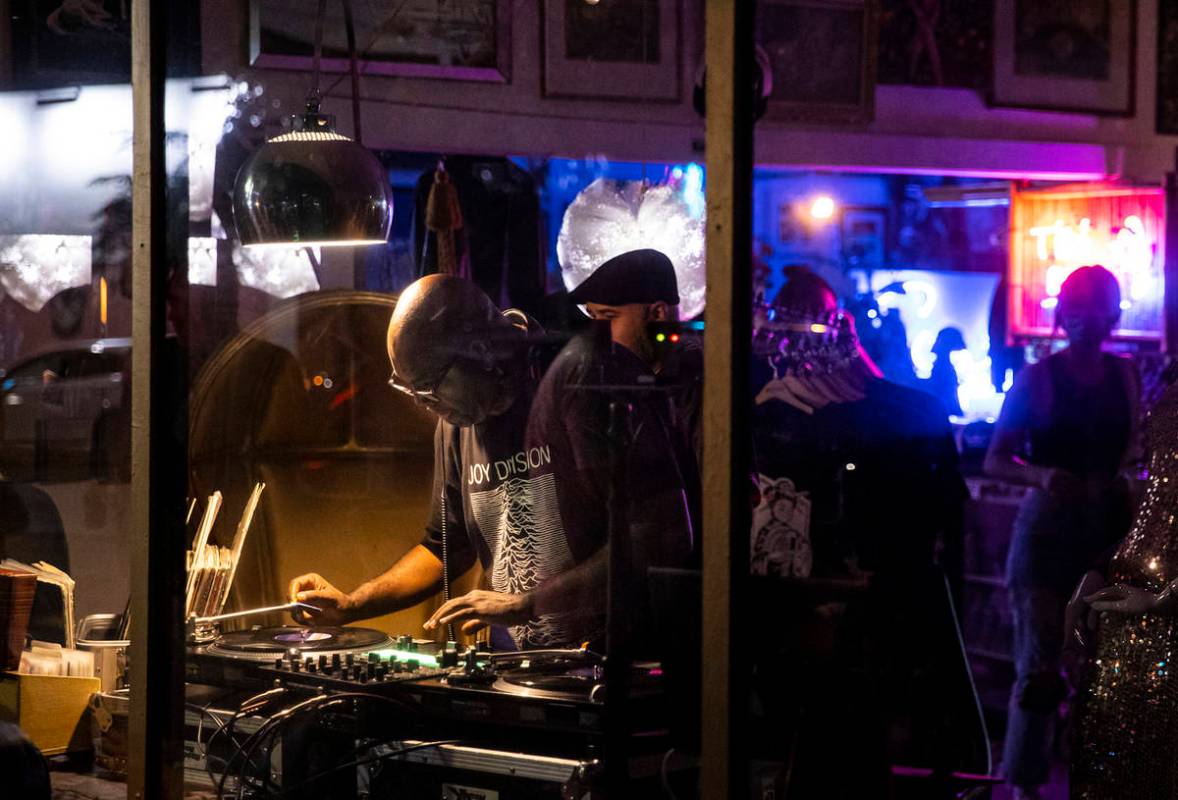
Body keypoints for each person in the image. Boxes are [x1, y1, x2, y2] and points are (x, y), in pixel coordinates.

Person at [287, 275, 587, 650]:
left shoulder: (576, 381)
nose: (423, 404)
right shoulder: (454, 426)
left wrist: (530, 604)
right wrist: (352, 604)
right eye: (409, 389)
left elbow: (657, 534)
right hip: (525, 674)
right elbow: (443, 547)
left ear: (480, 351)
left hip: (610, 674)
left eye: (428, 386)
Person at [983, 265, 1138, 800]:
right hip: (1048, 532)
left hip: (1107, 531)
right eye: (1078, 306)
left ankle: (1095, 779)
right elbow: (995, 459)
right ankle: (1026, 788)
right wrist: (1041, 475)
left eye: (1095, 307)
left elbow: (1130, 450)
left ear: (1112, 315)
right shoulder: (1037, 378)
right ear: (1063, 314)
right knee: (1040, 667)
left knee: (1106, 670)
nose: (1086, 318)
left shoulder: (1126, 374)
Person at [520, 248, 701, 649]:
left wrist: (531, 602)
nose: (599, 336)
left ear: (656, 313)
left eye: (607, 319)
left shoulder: (695, 384)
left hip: (674, 628)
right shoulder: (646, 385)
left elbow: (663, 531)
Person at [1065, 375, 1178, 798]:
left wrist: (1163, 600)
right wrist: (1101, 568)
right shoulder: (1169, 373)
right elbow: (1160, 502)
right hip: (1128, 616)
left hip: (1160, 616)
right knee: (1110, 766)